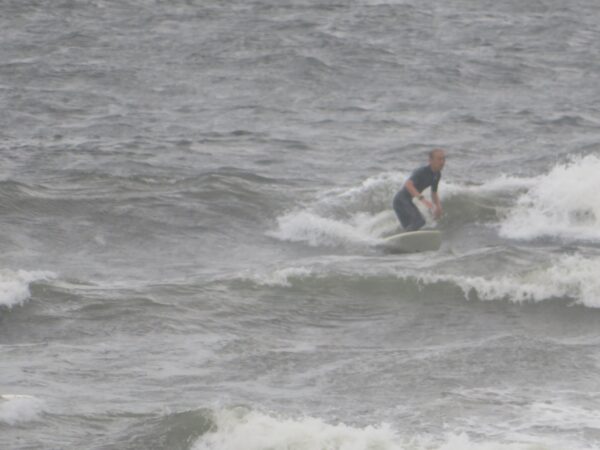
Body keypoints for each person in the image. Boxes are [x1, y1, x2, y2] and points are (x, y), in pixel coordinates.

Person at [393, 149, 445, 231]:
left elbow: (434, 192)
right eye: (439, 159)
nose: (442, 162)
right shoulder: (422, 171)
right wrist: (423, 200)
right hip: (400, 200)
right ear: (430, 160)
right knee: (419, 222)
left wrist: (438, 207)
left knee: (413, 226)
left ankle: (406, 240)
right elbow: (408, 185)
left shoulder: (437, 174)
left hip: (407, 201)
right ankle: (406, 236)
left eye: (443, 159)